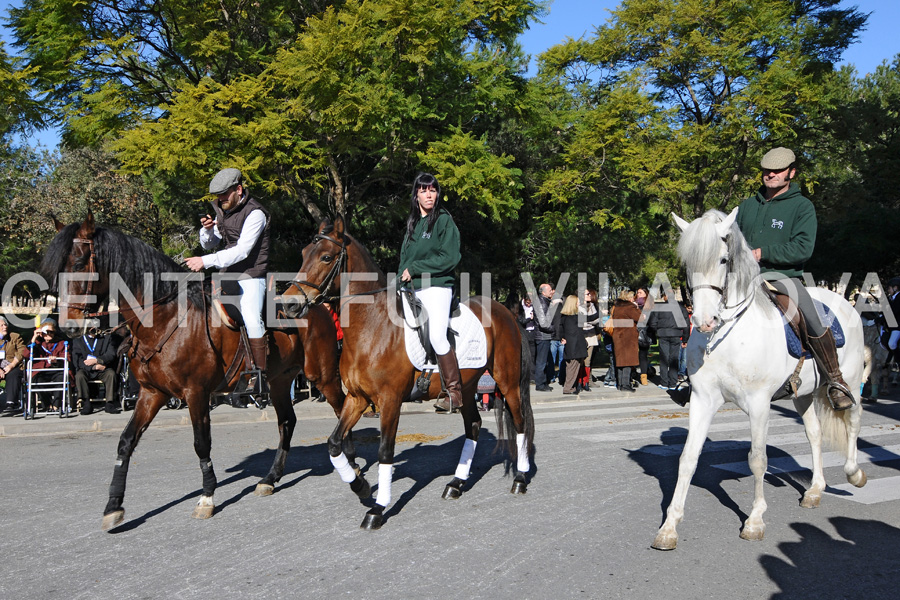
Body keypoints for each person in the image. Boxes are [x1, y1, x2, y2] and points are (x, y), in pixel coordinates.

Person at [736, 147, 854, 410]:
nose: (771, 175)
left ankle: (836, 381)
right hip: (743, 279)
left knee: (812, 319)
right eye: (767, 170)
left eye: (778, 171)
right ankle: (698, 377)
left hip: (783, 277)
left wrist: (763, 252)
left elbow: (803, 248)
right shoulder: (747, 206)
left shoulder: (802, 206)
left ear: (792, 172)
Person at [186, 168, 271, 398]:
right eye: (218, 196)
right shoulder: (223, 209)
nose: (220, 199)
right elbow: (210, 243)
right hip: (227, 273)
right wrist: (207, 231)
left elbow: (242, 251)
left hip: (252, 275)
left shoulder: (256, 214)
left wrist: (205, 262)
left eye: (224, 195)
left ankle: (260, 376)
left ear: (239, 190)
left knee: (253, 317)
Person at [398, 172, 462, 413]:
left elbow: (450, 257)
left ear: (437, 194)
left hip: (437, 285)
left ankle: (454, 392)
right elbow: (403, 262)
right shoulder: (412, 224)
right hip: (412, 288)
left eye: (432, 190)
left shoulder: (444, 220)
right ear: (416, 195)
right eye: (423, 190)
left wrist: (415, 269)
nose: (428, 194)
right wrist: (395, 283)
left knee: (436, 335)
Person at [72, 327, 122, 415]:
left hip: (102, 367)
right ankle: (86, 403)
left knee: (111, 374)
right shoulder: (78, 341)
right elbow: (77, 360)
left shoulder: (106, 338)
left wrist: (98, 361)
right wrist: (93, 367)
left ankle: (109, 402)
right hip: (87, 369)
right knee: (79, 376)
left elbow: (111, 354)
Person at [647, 293, 691, 390]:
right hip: (676, 334)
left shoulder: (659, 308)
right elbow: (686, 324)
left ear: (664, 297)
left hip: (663, 334)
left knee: (664, 359)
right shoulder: (681, 308)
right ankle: (672, 382)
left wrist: (657, 331)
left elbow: (652, 323)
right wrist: (685, 338)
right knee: (674, 359)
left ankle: (664, 382)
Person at [29, 318, 70, 412]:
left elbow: (67, 358)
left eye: (50, 332)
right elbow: (26, 354)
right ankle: (47, 405)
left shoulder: (61, 343)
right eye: (45, 332)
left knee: (61, 378)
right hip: (42, 370)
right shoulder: (38, 343)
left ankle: (56, 406)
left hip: (57, 369)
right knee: (37, 380)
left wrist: (57, 360)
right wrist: (34, 338)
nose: (48, 334)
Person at [610, 290, 642, 392]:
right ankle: (625, 384)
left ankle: (620, 384)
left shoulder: (617, 307)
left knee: (620, 361)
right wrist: (636, 307)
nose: (634, 299)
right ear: (628, 298)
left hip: (618, 335)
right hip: (628, 336)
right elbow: (640, 317)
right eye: (632, 297)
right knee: (628, 360)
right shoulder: (630, 307)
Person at [557, 295, 588, 394]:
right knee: (572, 368)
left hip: (572, 346)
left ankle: (570, 386)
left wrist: (562, 338)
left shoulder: (565, 318)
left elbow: (561, 330)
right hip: (575, 347)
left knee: (572, 367)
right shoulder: (575, 318)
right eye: (577, 302)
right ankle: (568, 388)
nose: (579, 303)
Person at [532, 283, 557, 392]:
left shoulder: (544, 301)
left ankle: (543, 382)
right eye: (550, 290)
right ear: (543, 292)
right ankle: (540, 384)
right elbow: (543, 323)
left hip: (544, 335)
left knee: (544, 361)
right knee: (541, 361)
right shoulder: (542, 302)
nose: (552, 291)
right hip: (542, 336)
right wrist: (553, 329)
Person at [0, 316, 26, 413]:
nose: (4, 327)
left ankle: (10, 402)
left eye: (5, 324)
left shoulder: (15, 337)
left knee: (14, 374)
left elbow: (22, 351)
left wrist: (11, 365)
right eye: (1, 325)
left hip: (13, 365)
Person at [579, 288, 600, 391]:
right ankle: (579, 382)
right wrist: (590, 319)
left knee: (588, 360)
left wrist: (589, 320)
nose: (589, 295)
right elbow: (582, 320)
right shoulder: (577, 306)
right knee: (580, 360)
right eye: (587, 294)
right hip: (581, 335)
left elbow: (596, 320)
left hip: (591, 334)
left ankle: (586, 382)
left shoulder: (591, 305)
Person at [635, 286, 654, 386]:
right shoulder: (634, 305)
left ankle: (643, 376)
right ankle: (632, 373)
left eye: (641, 293)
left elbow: (652, 320)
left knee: (643, 355)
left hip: (644, 334)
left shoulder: (649, 307)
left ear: (646, 294)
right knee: (633, 355)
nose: (638, 294)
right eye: (638, 292)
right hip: (634, 333)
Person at [516, 295, 537, 381]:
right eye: (527, 302)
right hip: (524, 332)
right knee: (524, 355)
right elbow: (521, 321)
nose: (529, 304)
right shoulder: (520, 308)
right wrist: (529, 319)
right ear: (524, 300)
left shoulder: (534, 307)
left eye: (530, 302)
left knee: (532, 355)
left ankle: (532, 376)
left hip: (532, 332)